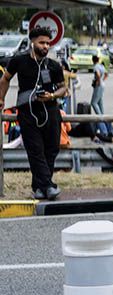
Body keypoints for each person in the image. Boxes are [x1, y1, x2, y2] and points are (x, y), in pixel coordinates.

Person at [0, 26, 68, 200]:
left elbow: (63, 89)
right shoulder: (18, 60)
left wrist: (51, 95)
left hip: (51, 111)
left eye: (48, 43)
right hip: (28, 112)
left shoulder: (53, 65)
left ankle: (39, 187)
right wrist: (1, 98)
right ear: (32, 42)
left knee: (51, 150)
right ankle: (49, 186)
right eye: (42, 42)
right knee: (35, 150)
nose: (46, 46)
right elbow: (5, 79)